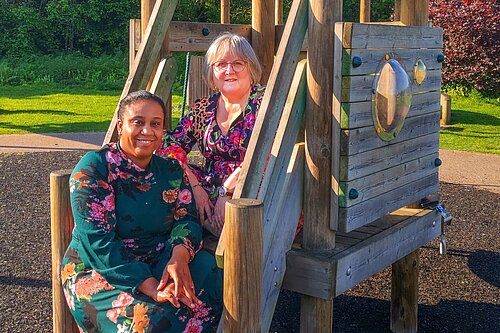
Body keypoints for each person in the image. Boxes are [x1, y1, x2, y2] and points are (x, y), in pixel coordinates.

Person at [61, 90, 222, 332]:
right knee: (151, 322)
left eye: (155, 124)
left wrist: (179, 258)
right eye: (138, 122)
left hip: (161, 258)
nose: (147, 131)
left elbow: (186, 220)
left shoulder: (171, 170)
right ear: (120, 126)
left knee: (221, 287)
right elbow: (98, 242)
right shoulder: (94, 169)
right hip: (102, 270)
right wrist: (151, 287)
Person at [156, 32, 265, 236]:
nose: (229, 70)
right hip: (209, 187)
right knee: (167, 172)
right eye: (221, 64)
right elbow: (170, 144)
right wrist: (195, 186)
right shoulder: (203, 108)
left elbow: (266, 153)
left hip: (253, 184)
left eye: (238, 63)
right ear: (212, 72)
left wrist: (227, 192)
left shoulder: (264, 102)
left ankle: (205, 224)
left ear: (250, 67)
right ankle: (205, 224)